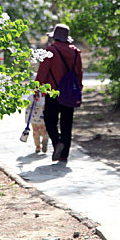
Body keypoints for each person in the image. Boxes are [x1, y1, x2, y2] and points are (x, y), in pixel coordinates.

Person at [35, 23, 83, 162]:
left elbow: (42, 73)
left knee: (50, 121)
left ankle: (57, 142)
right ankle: (63, 156)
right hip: (70, 93)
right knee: (67, 124)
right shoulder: (76, 52)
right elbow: (79, 73)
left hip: (53, 92)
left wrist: (37, 89)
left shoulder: (50, 51)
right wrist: (78, 90)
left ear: (55, 37)